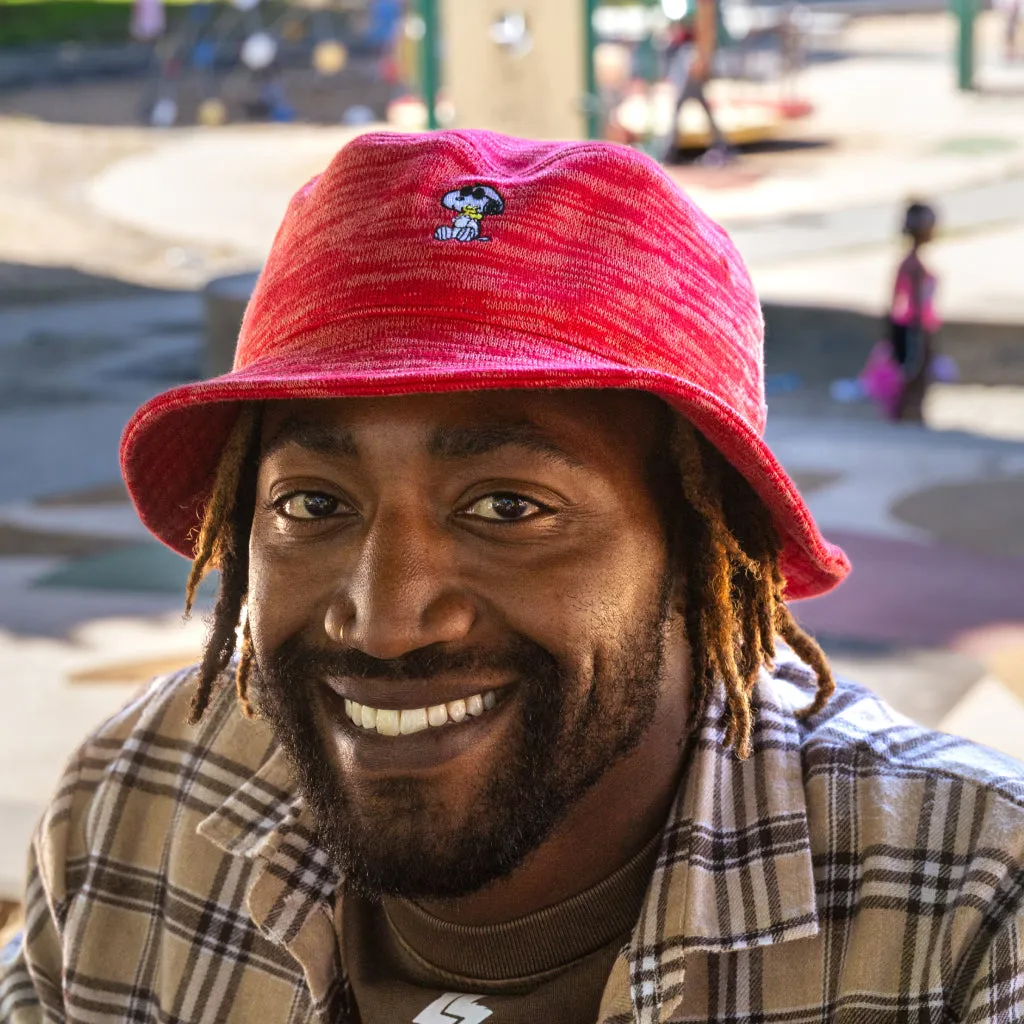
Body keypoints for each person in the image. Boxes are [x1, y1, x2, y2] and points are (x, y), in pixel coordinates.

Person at [2, 131, 1022, 1024]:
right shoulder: (132, 805)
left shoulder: (966, 914)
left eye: (507, 507)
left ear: (703, 550)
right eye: (312, 503)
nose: (388, 618)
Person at [662, 0, 733, 166]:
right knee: (694, 103)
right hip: (687, 54)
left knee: (680, 103)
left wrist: (702, 58)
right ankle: (721, 145)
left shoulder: (702, 4)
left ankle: (670, 151)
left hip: (691, 55)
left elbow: (706, 28)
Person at [888, 200, 940, 422]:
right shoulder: (914, 266)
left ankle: (908, 415)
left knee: (912, 374)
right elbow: (914, 303)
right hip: (915, 327)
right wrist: (920, 334)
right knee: (915, 374)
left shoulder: (908, 262)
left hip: (909, 325)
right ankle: (910, 415)